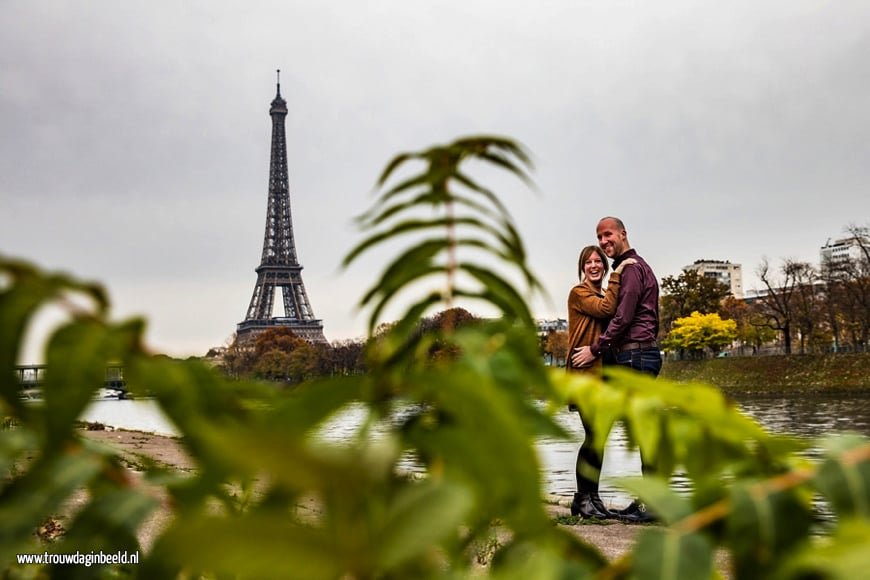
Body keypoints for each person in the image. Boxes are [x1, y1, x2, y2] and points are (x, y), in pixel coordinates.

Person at [571, 216, 663, 524]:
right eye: (599, 237)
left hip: (634, 358)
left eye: (608, 235)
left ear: (623, 234)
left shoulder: (630, 269)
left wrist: (596, 349)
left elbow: (619, 316)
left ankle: (650, 502)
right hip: (637, 356)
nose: (604, 241)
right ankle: (590, 499)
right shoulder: (630, 270)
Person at [566, 245, 635, 519]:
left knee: (599, 437)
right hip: (584, 375)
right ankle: (582, 499)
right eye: (589, 262)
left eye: (599, 261)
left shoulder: (600, 292)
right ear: (582, 267)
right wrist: (619, 273)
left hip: (600, 375)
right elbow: (607, 309)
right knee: (593, 436)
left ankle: (592, 499)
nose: (594, 265)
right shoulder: (579, 292)